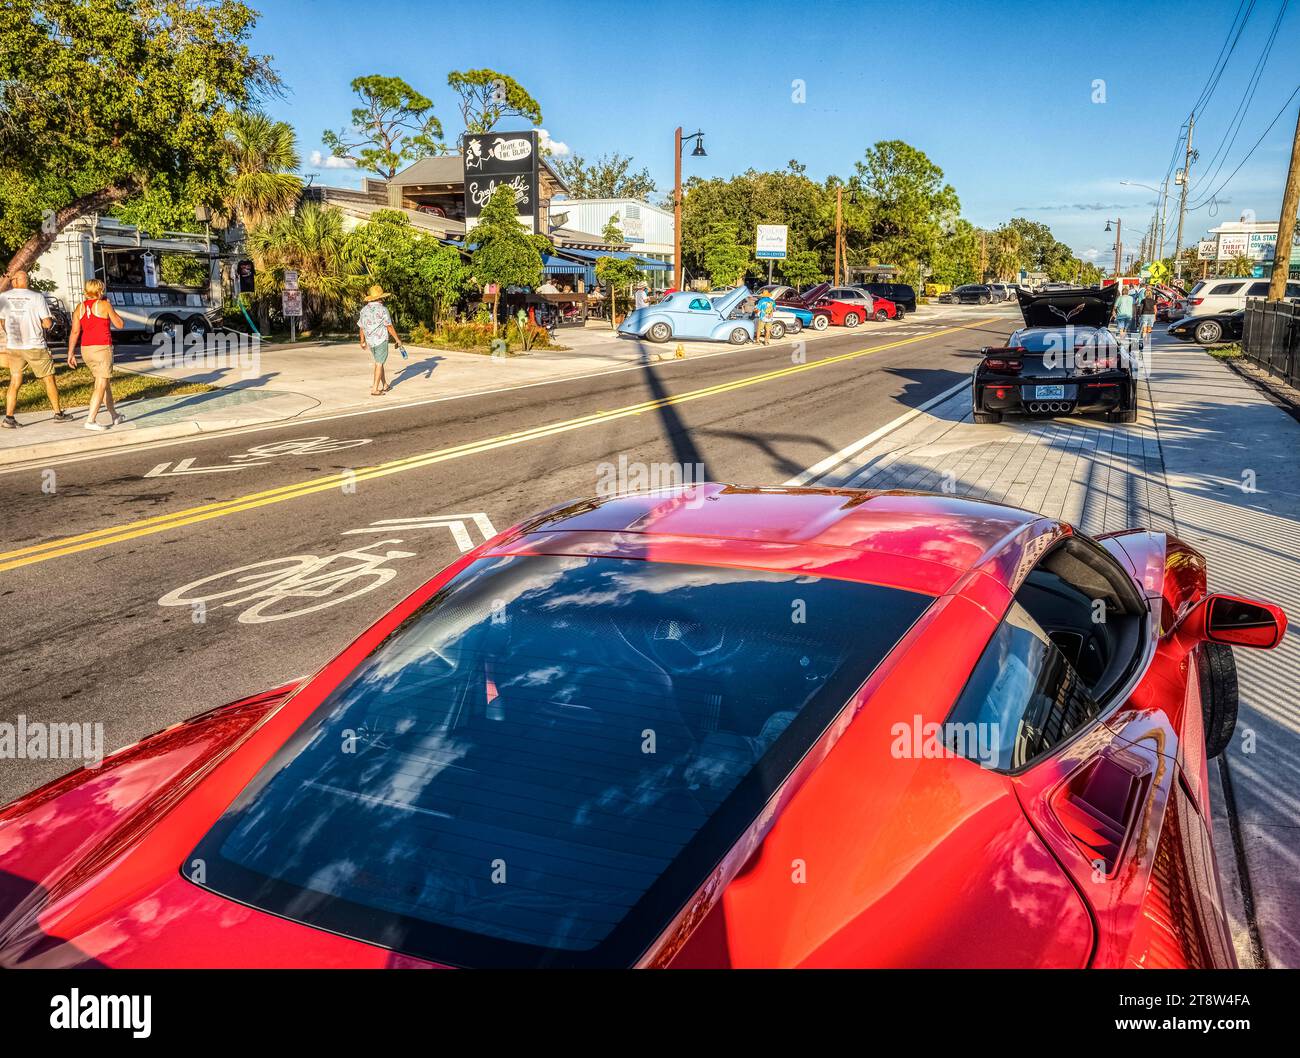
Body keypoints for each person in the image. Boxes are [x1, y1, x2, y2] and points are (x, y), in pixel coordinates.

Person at [2, 270, 71, 429]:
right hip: (35, 345)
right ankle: (58, 413)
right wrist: (49, 324)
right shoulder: (36, 297)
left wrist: (11, 335)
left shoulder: (3, 297)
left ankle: (9, 417)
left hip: (14, 346)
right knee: (49, 378)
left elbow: (2, 321)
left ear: (14, 281)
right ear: (25, 280)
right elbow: (47, 323)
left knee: (15, 381)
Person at [66, 278, 125, 430]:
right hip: (102, 348)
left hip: (86, 349)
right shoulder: (104, 305)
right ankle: (90, 420)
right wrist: (111, 306)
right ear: (99, 290)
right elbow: (119, 324)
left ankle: (114, 415)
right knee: (100, 384)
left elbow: (75, 332)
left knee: (104, 383)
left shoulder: (79, 308)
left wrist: (70, 353)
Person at [357, 284, 402, 396]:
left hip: (370, 341)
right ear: (380, 298)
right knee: (379, 363)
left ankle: (385, 385)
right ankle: (375, 389)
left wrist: (362, 341)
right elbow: (389, 326)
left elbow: (361, 326)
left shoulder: (364, 310)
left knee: (379, 362)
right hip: (381, 339)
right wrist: (397, 339)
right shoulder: (383, 309)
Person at [1137, 286, 1157, 350]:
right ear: (1151, 294)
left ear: (1145, 294)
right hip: (1152, 315)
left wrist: (1139, 315)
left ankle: (1143, 342)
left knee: (1144, 329)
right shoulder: (1153, 301)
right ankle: (1147, 342)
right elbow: (1155, 310)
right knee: (1149, 329)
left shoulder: (1143, 300)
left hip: (1144, 315)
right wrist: (1155, 317)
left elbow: (1141, 309)